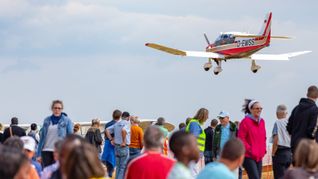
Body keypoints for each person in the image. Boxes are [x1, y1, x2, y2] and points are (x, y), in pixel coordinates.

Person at [37, 100, 73, 167]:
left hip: (59, 151)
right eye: (55, 108)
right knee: (47, 174)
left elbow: (70, 137)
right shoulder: (46, 120)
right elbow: (42, 138)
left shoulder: (67, 120)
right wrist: (38, 154)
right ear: (52, 109)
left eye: (59, 108)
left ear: (62, 109)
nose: (57, 110)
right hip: (46, 151)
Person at [238, 99, 266, 179]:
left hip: (259, 156)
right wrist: (250, 150)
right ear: (251, 109)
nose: (259, 110)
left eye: (261, 108)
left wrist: (263, 150)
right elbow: (241, 139)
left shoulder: (262, 122)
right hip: (248, 156)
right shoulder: (245, 122)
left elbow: (264, 137)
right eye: (257, 108)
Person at [287, 85, 318, 154]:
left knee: (297, 165)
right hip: (309, 147)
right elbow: (312, 130)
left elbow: (289, 127)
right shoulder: (315, 110)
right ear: (317, 96)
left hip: (295, 146)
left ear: (307, 94)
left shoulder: (296, 109)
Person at [106, 111, 131, 179]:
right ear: (128, 117)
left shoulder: (117, 124)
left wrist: (111, 139)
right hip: (124, 147)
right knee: (123, 167)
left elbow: (107, 130)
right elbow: (123, 130)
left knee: (118, 166)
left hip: (116, 147)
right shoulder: (127, 124)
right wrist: (123, 141)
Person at [185, 108, 209, 176]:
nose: (207, 118)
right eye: (207, 116)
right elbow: (193, 138)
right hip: (195, 153)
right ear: (203, 116)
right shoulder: (195, 124)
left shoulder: (195, 124)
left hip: (198, 153)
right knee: (195, 174)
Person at [271, 104, 292, 179]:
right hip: (290, 153)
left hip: (280, 153)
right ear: (286, 113)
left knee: (279, 176)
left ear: (277, 113)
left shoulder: (277, 123)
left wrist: (273, 153)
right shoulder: (291, 123)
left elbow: (276, 139)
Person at [101, 109, 122, 178]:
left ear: (113, 116)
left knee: (108, 163)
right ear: (120, 116)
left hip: (107, 144)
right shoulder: (119, 124)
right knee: (116, 164)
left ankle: (109, 176)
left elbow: (105, 134)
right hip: (115, 145)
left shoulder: (107, 124)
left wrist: (109, 139)